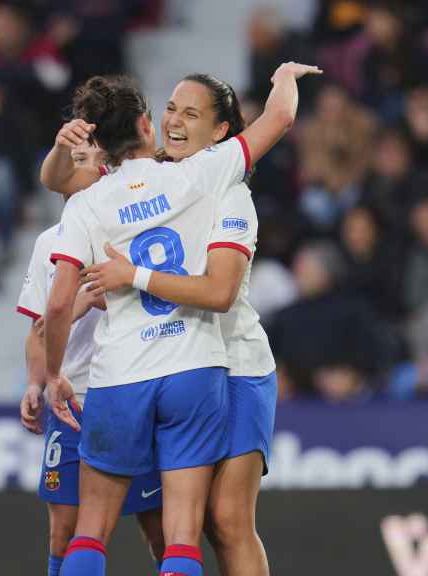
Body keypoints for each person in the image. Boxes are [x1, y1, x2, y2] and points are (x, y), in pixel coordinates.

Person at [43, 64, 319, 576]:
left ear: (220, 132)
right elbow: (59, 179)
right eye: (170, 107)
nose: (174, 119)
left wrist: (132, 278)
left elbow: (218, 291)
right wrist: (69, 146)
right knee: (175, 527)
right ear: (149, 121)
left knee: (228, 520)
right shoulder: (179, 174)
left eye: (191, 113)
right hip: (187, 362)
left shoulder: (227, 186)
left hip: (233, 362)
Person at [19, 140, 165, 576]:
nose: (69, 165)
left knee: (159, 529)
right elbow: (37, 329)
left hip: (129, 391)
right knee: (64, 532)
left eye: (81, 159)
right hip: (71, 400)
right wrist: (35, 380)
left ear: (105, 170)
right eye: (65, 156)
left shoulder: (125, 231)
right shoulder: (48, 243)